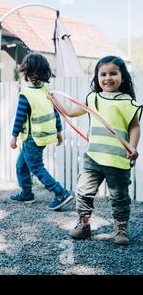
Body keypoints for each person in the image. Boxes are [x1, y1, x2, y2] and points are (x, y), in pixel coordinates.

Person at [49, 56, 141, 246]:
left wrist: (132, 147)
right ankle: (84, 225)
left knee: (119, 196)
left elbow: (134, 127)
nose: (108, 78)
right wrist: (55, 100)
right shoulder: (93, 98)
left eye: (113, 73)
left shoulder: (128, 101)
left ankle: (121, 228)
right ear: (97, 77)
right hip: (93, 157)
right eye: (103, 74)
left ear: (122, 77)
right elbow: (72, 111)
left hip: (117, 158)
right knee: (83, 192)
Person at [10, 53, 73, 210]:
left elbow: (19, 117)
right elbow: (55, 113)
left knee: (36, 167)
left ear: (27, 73)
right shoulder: (46, 90)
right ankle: (26, 193)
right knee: (21, 165)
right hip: (41, 137)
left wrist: (13, 136)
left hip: (32, 138)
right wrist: (58, 132)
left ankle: (61, 193)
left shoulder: (27, 94)